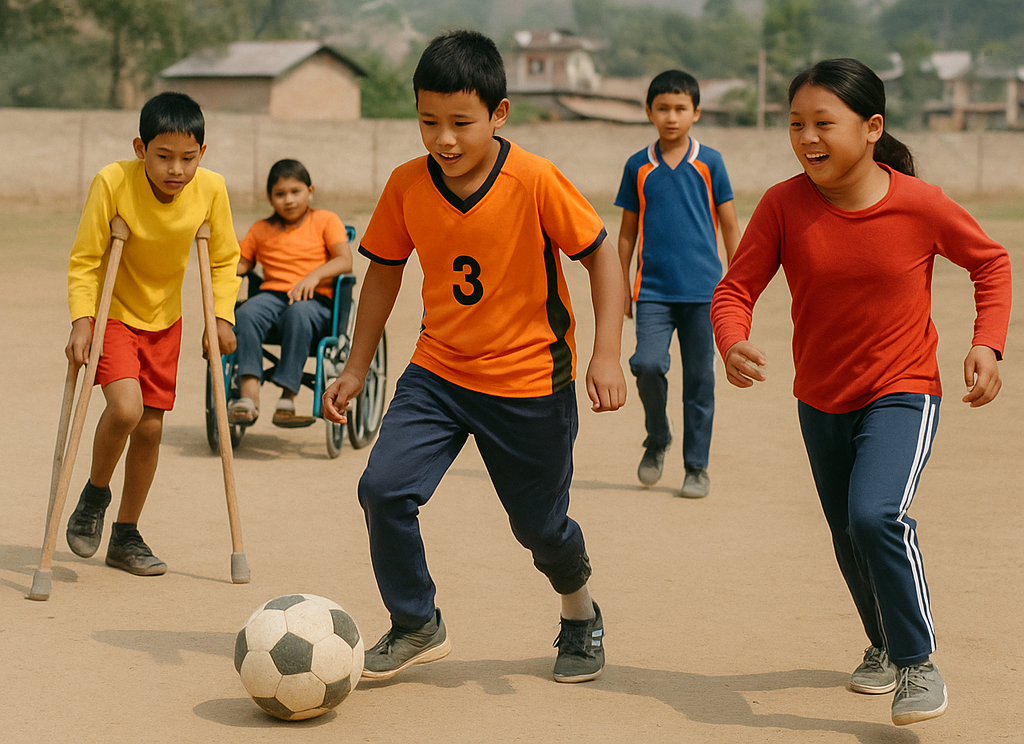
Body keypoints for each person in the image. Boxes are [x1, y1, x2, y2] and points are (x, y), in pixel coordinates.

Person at [711, 58, 1011, 726]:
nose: (807, 137)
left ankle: (916, 662)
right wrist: (731, 340)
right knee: (848, 532)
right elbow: (735, 289)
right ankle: (880, 643)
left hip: (903, 391)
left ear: (872, 128)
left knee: (876, 516)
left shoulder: (919, 203)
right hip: (820, 398)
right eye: (796, 124)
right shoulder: (783, 205)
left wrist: (987, 343)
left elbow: (990, 262)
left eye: (823, 123)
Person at [322, 30, 627, 684]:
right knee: (382, 489)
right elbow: (382, 272)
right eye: (428, 121)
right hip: (438, 374)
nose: (444, 139)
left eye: (461, 122)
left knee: (540, 530)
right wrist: (354, 365)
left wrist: (606, 353)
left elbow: (601, 252)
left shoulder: (535, 179)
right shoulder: (407, 185)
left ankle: (579, 613)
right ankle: (415, 622)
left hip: (528, 383)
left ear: (499, 114)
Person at [64, 92, 241, 576]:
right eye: (163, 157)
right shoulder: (113, 181)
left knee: (150, 429)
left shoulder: (211, 189)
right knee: (125, 408)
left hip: (165, 321)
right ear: (141, 148)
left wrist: (220, 316)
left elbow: (225, 260)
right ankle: (94, 496)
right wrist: (83, 320)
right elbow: (85, 260)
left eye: (187, 158)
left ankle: (126, 535)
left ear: (202, 154)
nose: (175, 170)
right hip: (114, 315)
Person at [616, 69, 741, 498]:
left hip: (705, 292)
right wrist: (619, 288)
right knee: (648, 365)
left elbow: (729, 224)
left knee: (700, 380)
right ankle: (657, 437)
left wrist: (738, 282)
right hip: (651, 291)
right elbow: (627, 233)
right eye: (663, 108)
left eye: (680, 108)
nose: (671, 117)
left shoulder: (711, 163)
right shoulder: (638, 165)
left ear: (696, 113)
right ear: (649, 111)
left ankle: (696, 467)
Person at [228, 159, 353, 428]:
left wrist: (314, 275)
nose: (289, 200)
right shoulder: (261, 229)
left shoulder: (325, 220)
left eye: (295, 192)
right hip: (272, 296)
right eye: (280, 194)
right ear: (270, 198)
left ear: (310, 190)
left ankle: (288, 397)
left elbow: (344, 260)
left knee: (299, 313)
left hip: (315, 300)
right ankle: (249, 396)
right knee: (246, 312)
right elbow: (242, 263)